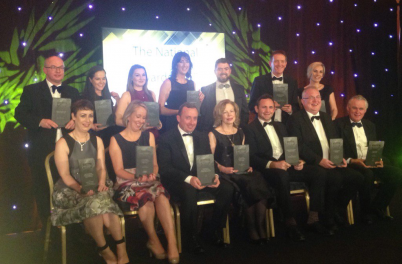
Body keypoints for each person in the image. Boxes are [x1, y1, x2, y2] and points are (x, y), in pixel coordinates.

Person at [51, 99, 129, 264]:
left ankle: (121, 248)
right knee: (95, 203)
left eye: (90, 116)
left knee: (101, 201)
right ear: (73, 117)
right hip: (70, 188)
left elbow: (101, 167)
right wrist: (80, 188)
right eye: (83, 116)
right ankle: (105, 250)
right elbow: (65, 175)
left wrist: (101, 181)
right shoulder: (62, 143)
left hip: (96, 182)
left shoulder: (98, 140)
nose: (87, 120)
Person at [246, 94, 329, 239]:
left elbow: (291, 147)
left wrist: (298, 160)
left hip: (286, 165)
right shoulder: (249, 129)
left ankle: (313, 218)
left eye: (271, 107)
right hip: (267, 170)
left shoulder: (280, 125)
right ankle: (290, 222)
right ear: (256, 108)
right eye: (264, 107)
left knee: (318, 172)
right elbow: (252, 157)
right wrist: (273, 164)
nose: (267, 110)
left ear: (274, 109)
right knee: (281, 175)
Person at [157, 102, 234, 254]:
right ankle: (191, 237)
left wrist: (214, 175)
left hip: (201, 178)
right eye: (188, 118)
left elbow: (208, 160)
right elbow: (165, 169)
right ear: (178, 118)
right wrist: (188, 178)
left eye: (194, 118)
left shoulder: (201, 136)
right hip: (178, 182)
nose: (192, 122)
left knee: (227, 188)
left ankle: (212, 231)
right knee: (189, 191)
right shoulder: (166, 138)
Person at [15, 55, 80, 230]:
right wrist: (39, 121)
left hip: (70, 150)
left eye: (61, 67)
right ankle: (48, 232)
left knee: (72, 187)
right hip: (41, 150)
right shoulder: (31, 90)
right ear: (45, 70)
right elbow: (19, 114)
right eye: (54, 67)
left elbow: (83, 113)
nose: (58, 71)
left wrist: (75, 120)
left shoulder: (73, 92)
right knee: (44, 190)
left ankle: (73, 229)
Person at [109, 100, 179, 263]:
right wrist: (135, 177)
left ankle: (172, 242)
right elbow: (118, 170)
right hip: (127, 181)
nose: (140, 120)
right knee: (146, 200)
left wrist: (152, 174)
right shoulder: (115, 139)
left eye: (143, 117)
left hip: (148, 179)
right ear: (129, 116)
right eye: (138, 116)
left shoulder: (149, 136)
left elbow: (155, 164)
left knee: (161, 196)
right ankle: (153, 239)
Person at [287, 87, 364, 232]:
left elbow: (335, 140)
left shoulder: (326, 117)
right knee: (334, 179)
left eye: (317, 97)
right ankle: (325, 217)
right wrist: (318, 160)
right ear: (302, 102)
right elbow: (298, 145)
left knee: (357, 178)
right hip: (312, 164)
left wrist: (338, 156)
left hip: (331, 161)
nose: (315, 100)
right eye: (311, 98)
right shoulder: (295, 119)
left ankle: (336, 209)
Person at [208, 99, 273, 244]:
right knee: (247, 184)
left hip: (241, 170)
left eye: (231, 111)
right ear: (219, 114)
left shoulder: (241, 132)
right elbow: (209, 159)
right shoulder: (213, 134)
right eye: (225, 112)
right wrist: (222, 168)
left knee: (258, 179)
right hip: (226, 173)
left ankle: (260, 227)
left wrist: (247, 165)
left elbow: (242, 154)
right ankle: (252, 229)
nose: (229, 114)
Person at [334, 95, 402, 223]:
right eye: (354, 108)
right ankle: (365, 213)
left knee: (396, 173)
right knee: (368, 174)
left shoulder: (370, 125)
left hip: (370, 161)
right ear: (348, 108)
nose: (358, 111)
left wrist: (379, 159)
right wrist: (352, 160)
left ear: (365, 110)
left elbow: (373, 147)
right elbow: (336, 151)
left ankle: (377, 207)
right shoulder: (337, 125)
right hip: (351, 163)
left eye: (361, 109)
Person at [198, 58, 249, 132]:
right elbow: (203, 114)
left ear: (230, 71)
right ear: (215, 71)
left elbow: (245, 112)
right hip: (213, 131)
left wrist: (240, 128)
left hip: (235, 131)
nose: (223, 72)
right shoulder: (205, 90)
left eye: (226, 69)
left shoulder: (239, 89)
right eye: (220, 69)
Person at [248, 50, 299, 123]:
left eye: (282, 61)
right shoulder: (259, 81)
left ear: (286, 64)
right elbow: (252, 105)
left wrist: (291, 110)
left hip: (287, 124)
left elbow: (296, 106)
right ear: (270, 63)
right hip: (264, 123)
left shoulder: (292, 82)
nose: (279, 64)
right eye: (276, 61)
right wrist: (267, 108)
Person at [158, 52, 204, 134]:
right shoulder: (168, 83)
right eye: (181, 61)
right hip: (173, 125)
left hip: (189, 125)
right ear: (176, 65)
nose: (184, 64)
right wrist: (179, 112)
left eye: (187, 61)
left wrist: (200, 101)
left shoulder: (192, 83)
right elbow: (160, 109)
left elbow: (194, 108)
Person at [115, 64, 161, 141]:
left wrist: (158, 122)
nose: (141, 78)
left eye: (143, 75)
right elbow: (117, 120)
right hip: (135, 138)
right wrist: (136, 125)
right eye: (137, 75)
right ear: (131, 78)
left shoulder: (152, 94)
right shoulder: (127, 95)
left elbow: (153, 116)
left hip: (153, 136)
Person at [81, 65, 122, 148]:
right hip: (93, 135)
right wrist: (91, 125)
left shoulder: (107, 95)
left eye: (103, 78)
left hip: (109, 132)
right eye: (97, 79)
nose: (101, 81)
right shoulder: (84, 98)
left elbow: (112, 114)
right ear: (90, 80)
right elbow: (80, 117)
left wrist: (118, 100)